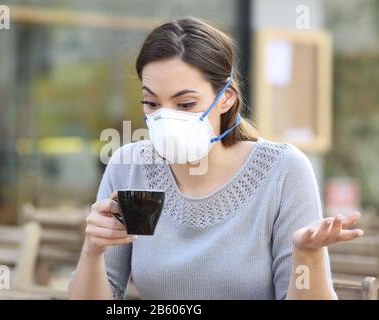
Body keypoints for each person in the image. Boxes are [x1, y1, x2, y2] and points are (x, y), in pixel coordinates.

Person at [69, 17, 363, 300]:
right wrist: (93, 249)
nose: (166, 118)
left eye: (186, 104)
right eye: (151, 103)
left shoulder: (284, 171)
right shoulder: (130, 166)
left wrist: (307, 256)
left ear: (226, 97)